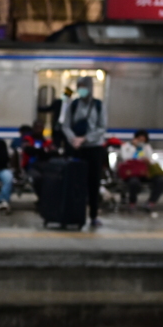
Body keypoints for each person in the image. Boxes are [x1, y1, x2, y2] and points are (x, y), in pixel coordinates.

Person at [61, 76, 108, 227]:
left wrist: (85, 139)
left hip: (94, 149)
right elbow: (66, 125)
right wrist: (74, 139)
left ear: (90, 87)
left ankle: (93, 215)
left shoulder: (99, 105)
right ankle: (76, 215)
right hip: (77, 149)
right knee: (76, 183)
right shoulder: (73, 105)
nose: (81, 89)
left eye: (84, 86)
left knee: (93, 183)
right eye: (79, 86)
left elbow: (102, 127)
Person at [117, 129, 163, 217]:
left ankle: (151, 202)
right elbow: (126, 158)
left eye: (143, 140)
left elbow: (150, 159)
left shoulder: (147, 147)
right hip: (132, 172)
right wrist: (134, 147)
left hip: (145, 172)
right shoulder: (126, 146)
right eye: (139, 139)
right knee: (133, 183)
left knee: (160, 180)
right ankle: (132, 202)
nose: (141, 141)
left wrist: (147, 159)